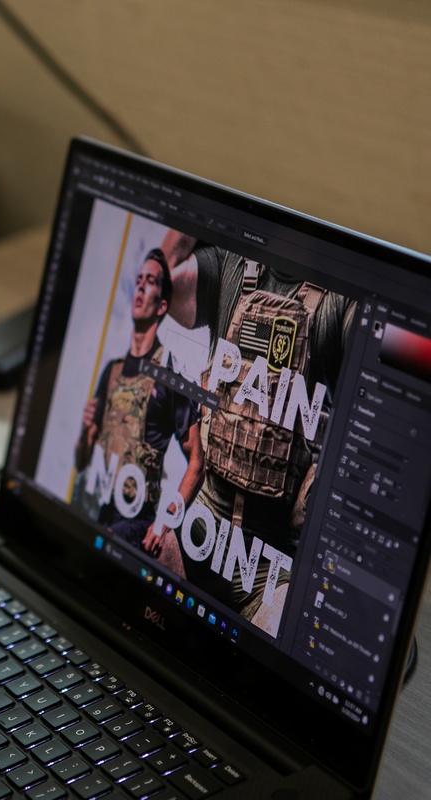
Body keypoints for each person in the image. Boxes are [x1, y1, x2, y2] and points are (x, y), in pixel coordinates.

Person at [160, 229, 355, 635]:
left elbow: (388, 386)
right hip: (197, 533)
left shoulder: (340, 299)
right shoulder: (232, 264)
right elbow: (160, 283)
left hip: (269, 567)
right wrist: (200, 206)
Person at [73, 249, 204, 565]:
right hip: (99, 513)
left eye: (151, 282)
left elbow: (197, 461)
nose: (141, 288)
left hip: (133, 526)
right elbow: (82, 460)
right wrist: (83, 431)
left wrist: (165, 522)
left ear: (162, 305)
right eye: (139, 280)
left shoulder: (170, 374)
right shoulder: (112, 371)